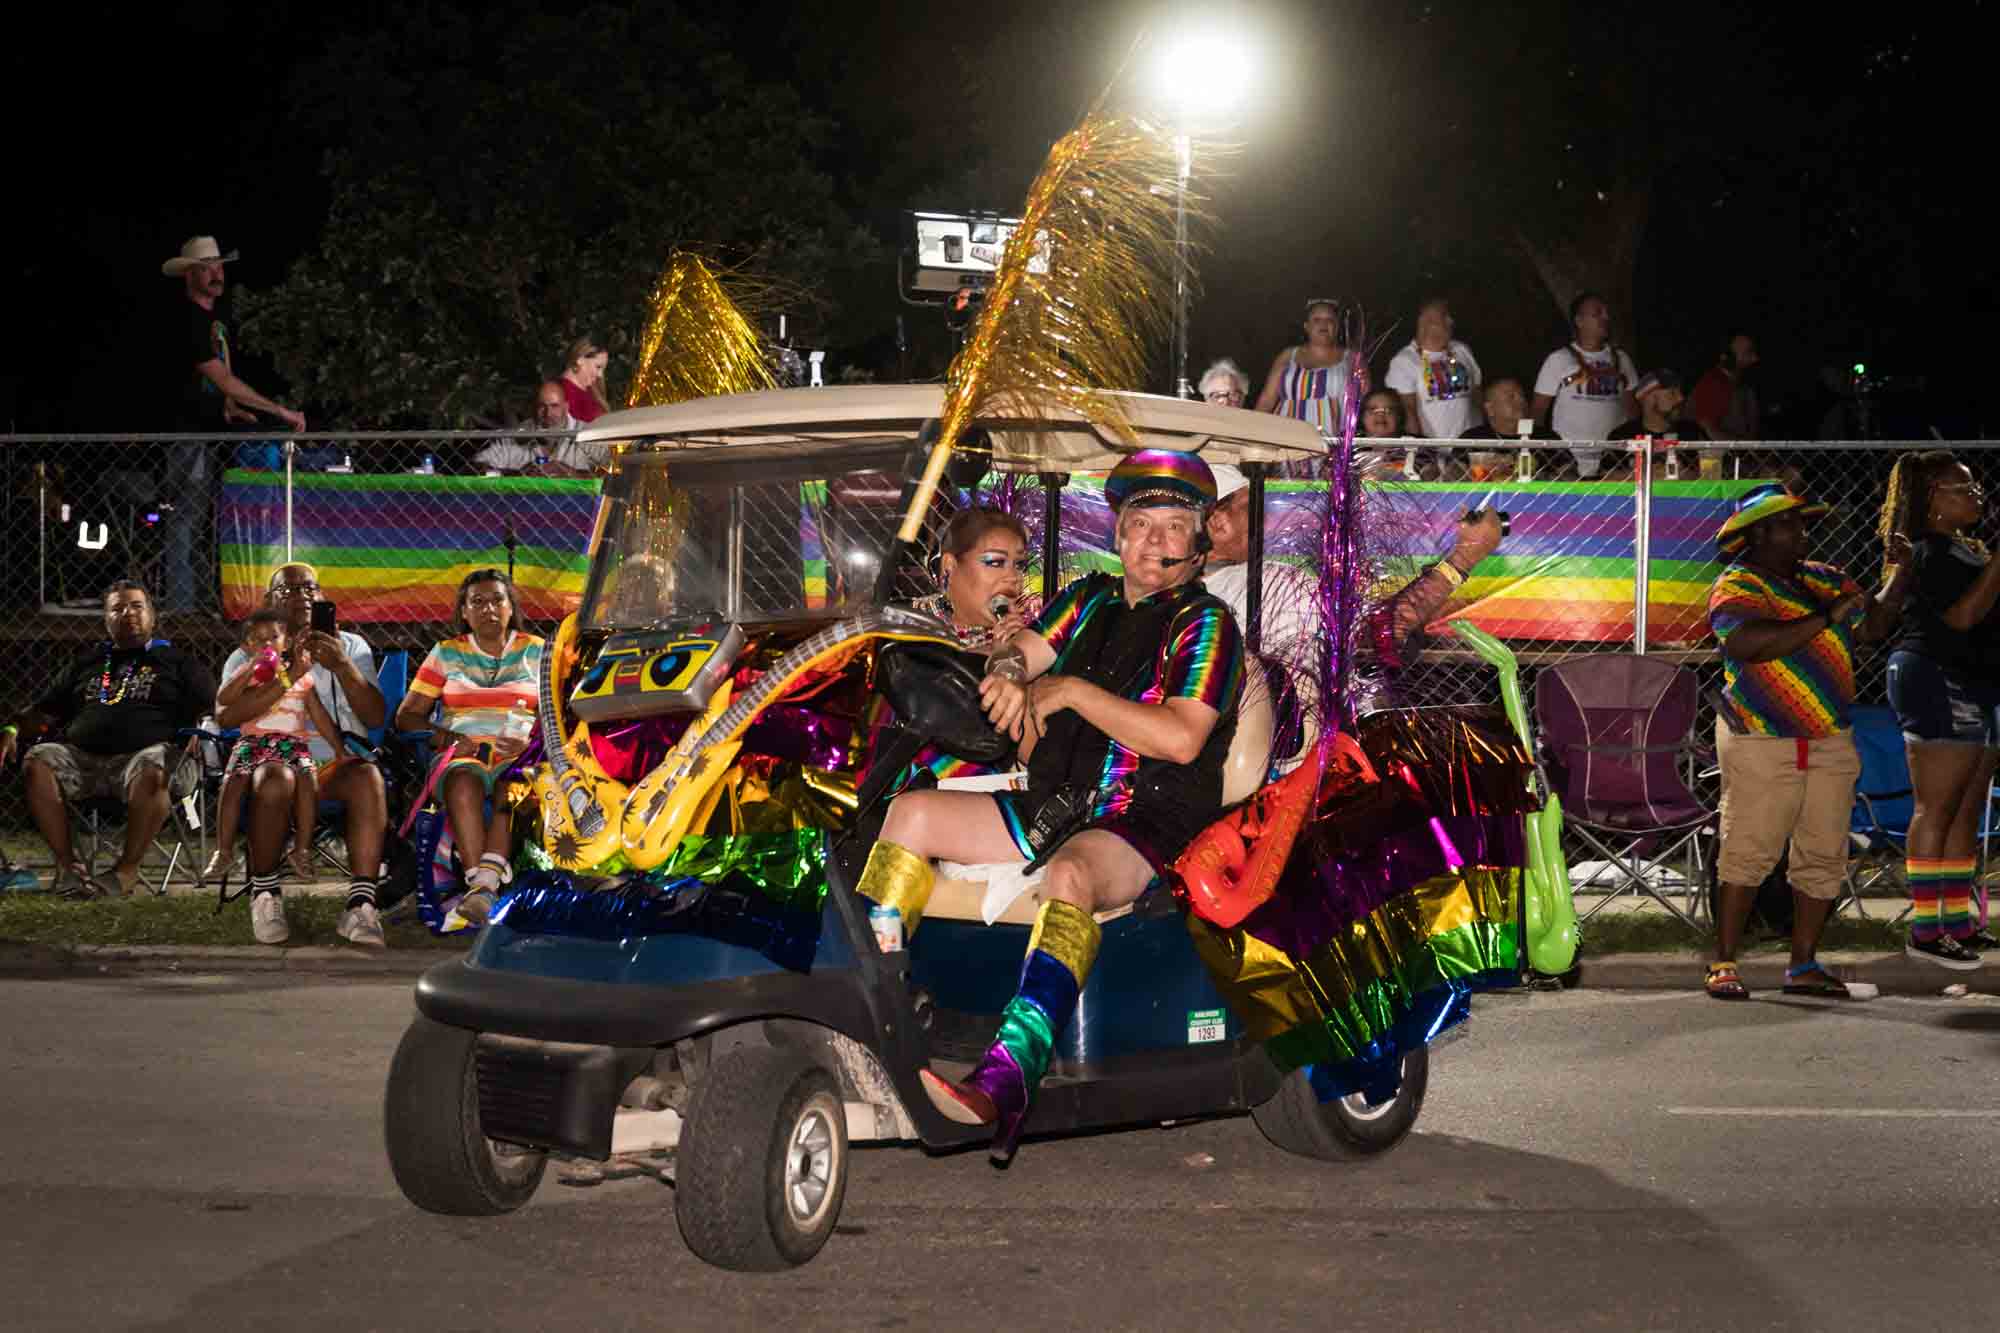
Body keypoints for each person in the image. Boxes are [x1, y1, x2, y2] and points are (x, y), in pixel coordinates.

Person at [853, 450, 1243, 1161]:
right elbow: (1023, 653)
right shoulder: (1088, 598)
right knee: (909, 811)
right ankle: (869, 1015)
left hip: (1146, 813)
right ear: (1119, 534)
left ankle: (1008, 1077)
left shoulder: (1206, 623)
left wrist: (1067, 692)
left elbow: (1183, 738)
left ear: (1198, 542)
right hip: (1058, 799)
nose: (1155, 540)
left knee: (1069, 875)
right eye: (1141, 524)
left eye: (1174, 526)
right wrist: (1006, 671)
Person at [1704, 485, 1910, 1000]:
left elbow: (1873, 626)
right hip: (1761, 736)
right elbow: (1748, 643)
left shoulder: (1826, 578)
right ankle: (1724, 962)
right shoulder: (1738, 584)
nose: (1803, 532)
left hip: (1829, 736)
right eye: (1790, 524)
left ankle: (1803, 965)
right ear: (1759, 534)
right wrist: (1825, 618)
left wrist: (1900, 573)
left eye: (1803, 523)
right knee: (1749, 849)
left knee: (1823, 853)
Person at [0, 582, 217, 897]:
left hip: (151, 760)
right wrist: (11, 730)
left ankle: (125, 871)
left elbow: (214, 705)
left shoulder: (179, 663)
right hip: (84, 760)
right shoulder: (87, 664)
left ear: (152, 616)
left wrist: (204, 726)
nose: (127, 613)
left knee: (154, 765)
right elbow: (42, 711)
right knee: (39, 760)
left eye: (136, 606)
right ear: (106, 620)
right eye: (117, 608)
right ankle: (69, 867)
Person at [216, 563, 393, 947]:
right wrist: (289, 675)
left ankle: (361, 906)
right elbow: (226, 716)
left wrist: (342, 666)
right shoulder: (246, 656)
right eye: (289, 590)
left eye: (310, 589)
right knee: (277, 776)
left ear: (322, 596)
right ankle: (264, 893)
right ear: (268, 602)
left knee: (368, 777)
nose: (302, 597)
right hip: (271, 760)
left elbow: (376, 717)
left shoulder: (350, 647)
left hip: (328, 766)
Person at [1877, 453, 2000, 967]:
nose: (1975, 496)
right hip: (1937, 677)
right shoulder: (1929, 553)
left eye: (1975, 488)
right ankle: (1927, 930)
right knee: (1937, 807)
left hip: (1976, 683)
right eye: (1960, 489)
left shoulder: (1961, 549)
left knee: (1967, 810)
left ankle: (1957, 922)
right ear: (1931, 499)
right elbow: (1963, 616)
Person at [393, 569, 546, 927]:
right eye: (477, 602)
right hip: (463, 752)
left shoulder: (538, 652)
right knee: (463, 783)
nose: (489, 608)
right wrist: (447, 738)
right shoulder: (447, 653)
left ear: (511, 607)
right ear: (464, 611)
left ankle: (482, 888)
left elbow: (558, 716)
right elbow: (407, 716)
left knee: (515, 786)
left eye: (497, 600)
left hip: (520, 753)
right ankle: (483, 886)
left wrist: (532, 740)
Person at [164, 236, 307, 613]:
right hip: (186, 434)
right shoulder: (188, 320)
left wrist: (229, 407)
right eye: (207, 267)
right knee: (185, 519)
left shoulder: (214, 321)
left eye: (219, 266)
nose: (216, 273)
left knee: (201, 520)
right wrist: (281, 412)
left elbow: (220, 379)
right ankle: (182, 606)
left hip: (208, 432)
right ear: (190, 274)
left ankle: (199, 601)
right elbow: (224, 379)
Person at [1531, 292, 1637, 480]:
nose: (1606, 318)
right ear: (1579, 321)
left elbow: (1633, 412)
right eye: (1598, 313)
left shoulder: (1622, 359)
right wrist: (1547, 457)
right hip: (1569, 465)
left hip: (1614, 463)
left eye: (1606, 313)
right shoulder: (1558, 359)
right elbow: (1538, 412)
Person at [1254, 299, 1362, 435]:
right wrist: (1251, 433)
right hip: (1287, 437)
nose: (1323, 324)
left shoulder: (1352, 358)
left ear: (1337, 326)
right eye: (1317, 320)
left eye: (1330, 320)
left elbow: (1364, 400)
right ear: (1306, 326)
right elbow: (1267, 400)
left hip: (1333, 440)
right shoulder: (1288, 355)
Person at [1385, 298, 1483, 439]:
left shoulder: (1461, 350)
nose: (1450, 321)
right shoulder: (1404, 361)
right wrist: (1421, 454)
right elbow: (1408, 412)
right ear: (1425, 321)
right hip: (1434, 452)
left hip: (1471, 448)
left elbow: (1478, 396)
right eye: (1444, 315)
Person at [474, 381, 610, 475]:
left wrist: (570, 473)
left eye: (554, 406)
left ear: (566, 407)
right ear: (534, 408)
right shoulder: (519, 434)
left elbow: (614, 472)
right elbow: (476, 466)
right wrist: (517, 474)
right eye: (542, 406)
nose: (548, 413)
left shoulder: (586, 434)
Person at [1608, 371, 1704, 478]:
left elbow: (1712, 473)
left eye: (1680, 392)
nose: (1680, 398)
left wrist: (1681, 474)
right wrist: (1642, 474)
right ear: (1650, 398)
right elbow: (1604, 478)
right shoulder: (1622, 435)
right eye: (1672, 393)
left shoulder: (1692, 432)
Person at [1692, 333, 1761, 442]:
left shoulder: (1743, 385)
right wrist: (1743, 448)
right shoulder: (1714, 383)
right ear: (1727, 357)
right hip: (1721, 454)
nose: (1754, 359)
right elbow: (1708, 429)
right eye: (1747, 353)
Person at [560, 339, 612, 424]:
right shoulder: (559, 393)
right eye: (598, 367)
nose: (600, 375)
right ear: (580, 360)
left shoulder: (591, 389)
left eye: (603, 369)